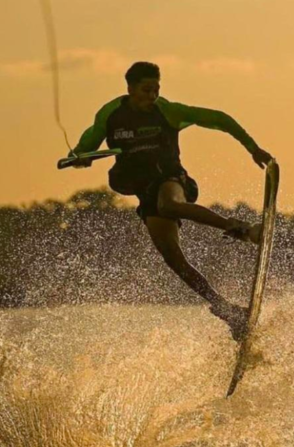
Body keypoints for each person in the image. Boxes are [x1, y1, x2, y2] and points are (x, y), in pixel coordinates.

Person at [66, 61, 273, 340]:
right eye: (145, 90)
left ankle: (243, 229)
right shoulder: (111, 114)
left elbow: (220, 119)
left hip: (173, 181)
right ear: (130, 89)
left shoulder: (168, 112)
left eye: (156, 90)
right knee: (174, 259)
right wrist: (79, 158)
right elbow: (86, 147)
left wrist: (252, 147)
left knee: (169, 205)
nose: (151, 96)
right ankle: (227, 310)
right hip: (146, 193)